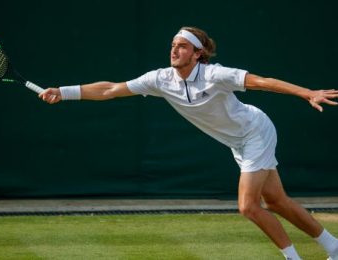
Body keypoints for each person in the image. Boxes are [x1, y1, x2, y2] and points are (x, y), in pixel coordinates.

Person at [39, 26, 338, 260]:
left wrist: (306, 92)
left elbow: (262, 81)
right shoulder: (160, 79)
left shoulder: (215, 75)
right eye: (173, 45)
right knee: (276, 202)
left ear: (197, 53)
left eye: (182, 46)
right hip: (238, 141)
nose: (174, 50)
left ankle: (293, 257)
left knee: (248, 206)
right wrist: (64, 92)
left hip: (255, 132)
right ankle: (334, 248)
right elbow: (110, 90)